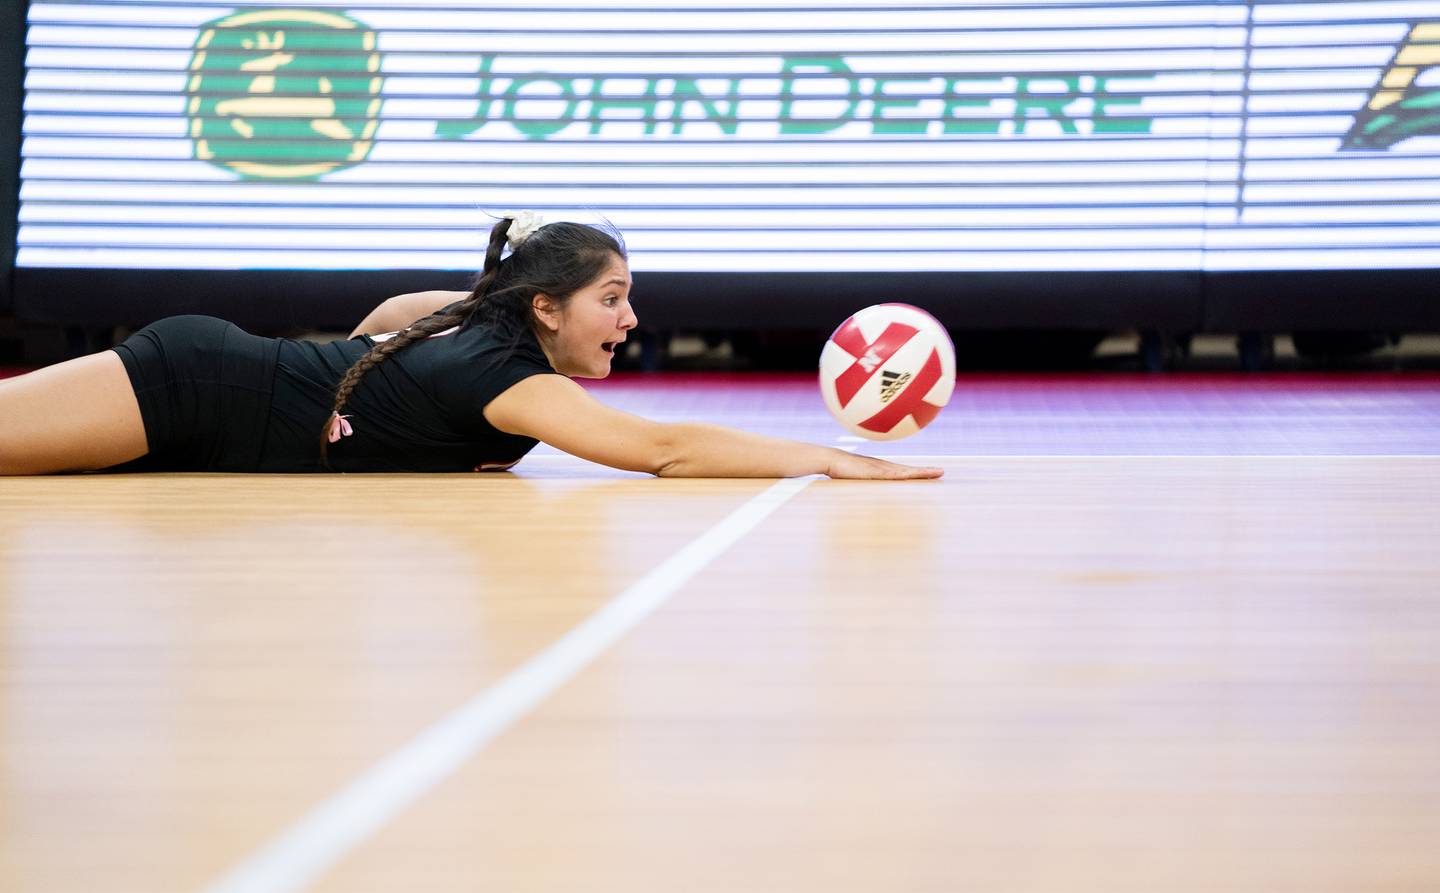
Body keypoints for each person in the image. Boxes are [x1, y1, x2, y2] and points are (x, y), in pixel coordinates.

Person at [0, 215, 942, 480]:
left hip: (200, 413)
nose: (629, 321)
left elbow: (378, 322)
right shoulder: (506, 377)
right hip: (187, 385)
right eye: (611, 299)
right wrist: (830, 457)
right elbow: (665, 450)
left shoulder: (475, 326)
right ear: (543, 308)